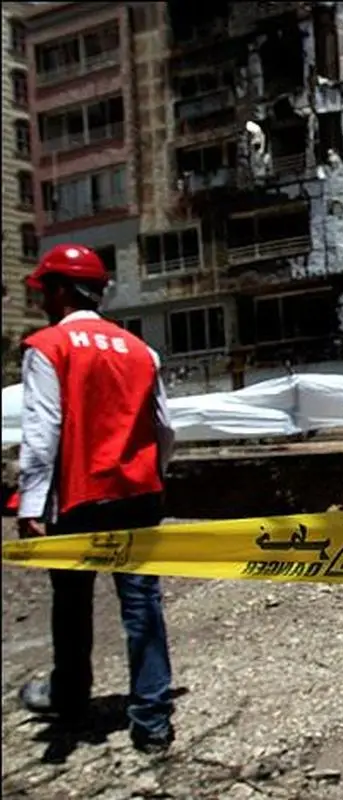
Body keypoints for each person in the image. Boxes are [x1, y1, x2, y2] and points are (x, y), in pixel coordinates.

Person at [16, 244, 177, 754]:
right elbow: (165, 428)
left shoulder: (48, 346)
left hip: (80, 497)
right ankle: (152, 722)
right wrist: (153, 475)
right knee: (142, 604)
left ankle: (70, 698)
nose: (42, 300)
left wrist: (30, 504)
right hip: (139, 495)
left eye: (46, 290)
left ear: (63, 290)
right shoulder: (139, 350)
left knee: (71, 602)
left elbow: (42, 432)